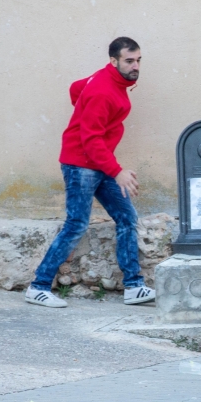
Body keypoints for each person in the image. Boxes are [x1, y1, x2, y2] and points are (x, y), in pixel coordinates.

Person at [25, 37, 155, 308]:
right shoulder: (103, 91)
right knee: (77, 224)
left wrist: (84, 111)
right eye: (129, 61)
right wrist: (117, 172)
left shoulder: (106, 81)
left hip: (99, 162)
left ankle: (133, 286)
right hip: (81, 165)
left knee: (127, 218)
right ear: (114, 61)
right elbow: (91, 139)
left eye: (138, 60)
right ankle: (38, 286)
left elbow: (75, 88)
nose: (135, 66)